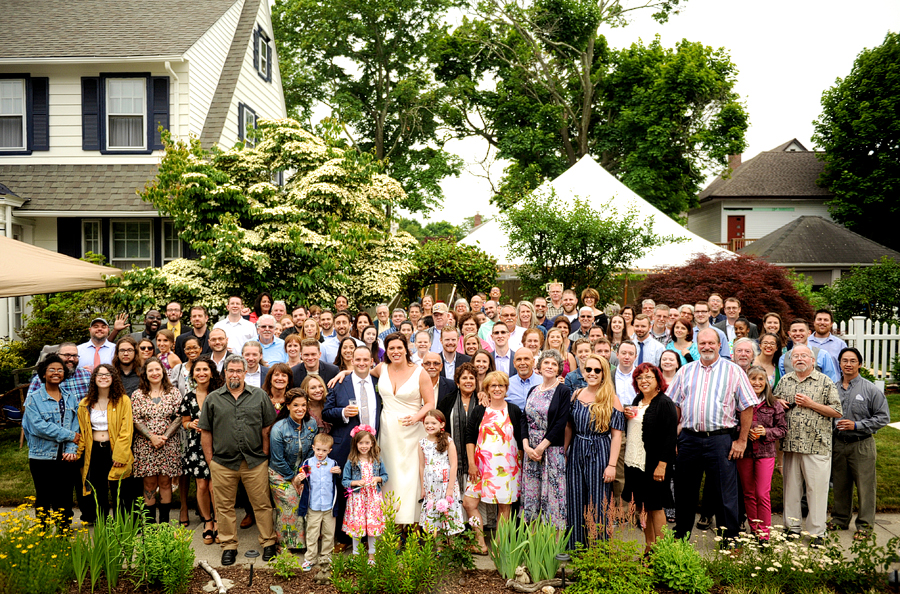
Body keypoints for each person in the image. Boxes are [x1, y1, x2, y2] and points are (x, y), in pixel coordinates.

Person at [668, 328, 758, 541]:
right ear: (697, 346)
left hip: (721, 440)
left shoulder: (733, 371)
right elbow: (675, 406)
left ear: (719, 345)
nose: (706, 347)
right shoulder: (685, 371)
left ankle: (730, 539)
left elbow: (747, 407)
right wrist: (674, 438)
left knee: (725, 494)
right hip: (689, 439)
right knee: (685, 492)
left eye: (711, 343)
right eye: (702, 343)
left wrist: (742, 440)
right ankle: (680, 537)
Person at [200, 354, 278, 565]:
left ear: (245, 373)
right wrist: (210, 461)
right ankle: (229, 545)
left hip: (254, 461)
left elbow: (267, 427)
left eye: (238, 370)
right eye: (230, 370)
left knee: (262, 503)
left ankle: (268, 542)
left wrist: (264, 454)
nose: (234, 374)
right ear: (224, 373)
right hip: (223, 462)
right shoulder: (213, 398)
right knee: (224, 507)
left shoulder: (259, 396)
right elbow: (205, 432)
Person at [775, 345, 842, 544]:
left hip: (817, 445)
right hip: (790, 445)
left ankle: (817, 533)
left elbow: (837, 412)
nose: (799, 359)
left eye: (804, 355)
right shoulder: (786, 380)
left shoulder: (825, 381)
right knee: (791, 490)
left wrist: (811, 404)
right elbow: (774, 403)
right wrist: (778, 401)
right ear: (791, 361)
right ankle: (792, 528)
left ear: (813, 360)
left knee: (817, 491)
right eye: (795, 356)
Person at [829, 347, 890, 540]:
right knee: (840, 484)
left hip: (861, 444)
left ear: (860, 364)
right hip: (838, 443)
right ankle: (839, 519)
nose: (848, 364)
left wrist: (857, 425)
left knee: (865, 486)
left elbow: (883, 417)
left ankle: (864, 525)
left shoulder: (870, 389)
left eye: (852, 360)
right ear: (839, 363)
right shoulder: (832, 388)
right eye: (844, 360)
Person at [462, 371, 524, 555]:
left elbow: (520, 440)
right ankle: (480, 543)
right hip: (480, 468)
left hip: (507, 468)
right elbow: (469, 437)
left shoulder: (513, 410)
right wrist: (472, 464)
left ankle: (499, 546)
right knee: (469, 503)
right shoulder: (480, 410)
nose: (497, 389)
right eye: (493, 386)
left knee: (504, 507)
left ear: (506, 388)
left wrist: (519, 468)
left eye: (501, 386)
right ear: (487, 389)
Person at [566, 355, 624, 546]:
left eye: (597, 370)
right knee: (575, 498)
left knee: (599, 501)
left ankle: (599, 549)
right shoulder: (576, 394)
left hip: (600, 450)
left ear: (604, 373)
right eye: (588, 369)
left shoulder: (612, 399)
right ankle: (576, 547)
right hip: (576, 449)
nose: (592, 373)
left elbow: (616, 435)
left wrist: (612, 465)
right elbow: (569, 427)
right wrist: (565, 453)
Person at [622, 363, 678, 553]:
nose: (643, 381)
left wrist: (662, 465)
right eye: (639, 378)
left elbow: (670, 438)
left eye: (648, 377)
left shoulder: (665, 403)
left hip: (654, 464)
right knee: (643, 507)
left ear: (658, 380)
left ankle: (662, 552)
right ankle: (649, 548)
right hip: (634, 462)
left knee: (656, 506)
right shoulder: (637, 400)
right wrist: (624, 414)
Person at [23, 354, 81, 524]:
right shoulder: (33, 399)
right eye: (52, 370)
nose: (56, 373)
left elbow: (76, 425)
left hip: (65, 456)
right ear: (43, 374)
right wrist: (70, 436)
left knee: (64, 497)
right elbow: (38, 427)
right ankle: (44, 535)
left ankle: (63, 533)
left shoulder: (71, 397)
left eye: (60, 370)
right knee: (43, 496)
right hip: (41, 456)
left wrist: (71, 449)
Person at [76, 364, 133, 521]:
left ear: (113, 378)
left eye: (108, 374)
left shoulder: (123, 401)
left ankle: (120, 526)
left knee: (118, 491)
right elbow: (82, 431)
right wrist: (78, 454)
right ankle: (103, 526)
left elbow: (126, 430)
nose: (103, 377)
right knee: (98, 491)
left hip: (114, 450)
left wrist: (120, 455)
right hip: (94, 452)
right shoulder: (85, 404)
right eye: (99, 375)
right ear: (94, 379)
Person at [735, 366, 787, 541]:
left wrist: (766, 432)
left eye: (760, 379)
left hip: (766, 453)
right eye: (753, 379)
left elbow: (782, 430)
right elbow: (730, 424)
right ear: (746, 381)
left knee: (762, 493)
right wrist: (743, 430)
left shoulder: (774, 404)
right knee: (748, 492)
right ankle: (754, 528)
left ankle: (764, 534)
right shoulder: (739, 403)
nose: (757, 383)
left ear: (766, 383)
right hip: (745, 453)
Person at [520, 350, 571, 529]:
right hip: (531, 452)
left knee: (552, 499)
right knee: (532, 499)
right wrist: (526, 446)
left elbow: (560, 423)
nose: (550, 366)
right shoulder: (533, 390)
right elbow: (524, 419)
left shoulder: (563, 391)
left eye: (554, 364)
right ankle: (534, 546)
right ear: (539, 367)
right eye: (546, 363)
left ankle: (552, 550)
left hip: (550, 451)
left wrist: (541, 448)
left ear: (558, 369)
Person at [131, 357, 183, 524]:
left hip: (169, 444)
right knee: (150, 483)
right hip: (145, 445)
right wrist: (151, 437)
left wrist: (164, 437)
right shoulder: (138, 395)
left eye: (157, 369)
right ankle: (151, 525)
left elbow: (179, 417)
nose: (154, 373)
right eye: (150, 370)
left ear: (163, 371)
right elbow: (135, 419)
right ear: (145, 374)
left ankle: (165, 523)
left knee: (165, 482)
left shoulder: (173, 392)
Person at [269, 388, 318, 551]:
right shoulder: (279, 428)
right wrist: (293, 478)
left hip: (303, 472)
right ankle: (285, 543)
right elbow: (277, 460)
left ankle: (307, 542)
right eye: (296, 405)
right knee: (292, 499)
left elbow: (312, 454)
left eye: (303, 405)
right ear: (288, 406)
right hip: (280, 473)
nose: (300, 409)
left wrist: (303, 476)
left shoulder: (311, 425)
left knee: (309, 497)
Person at [180, 356, 222, 544]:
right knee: (202, 486)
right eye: (198, 370)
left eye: (205, 369)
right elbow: (184, 421)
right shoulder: (188, 397)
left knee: (215, 487)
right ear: (193, 374)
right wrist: (191, 425)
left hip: (218, 445)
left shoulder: (221, 394)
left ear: (211, 372)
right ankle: (208, 522)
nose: (202, 373)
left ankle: (220, 522)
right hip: (196, 446)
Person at [342, 425, 388, 562]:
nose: (364, 446)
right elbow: (344, 481)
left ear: (372, 443)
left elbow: (385, 476)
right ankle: (356, 553)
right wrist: (355, 483)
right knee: (358, 526)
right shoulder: (351, 461)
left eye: (367, 443)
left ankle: (372, 555)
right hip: (358, 499)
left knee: (372, 526)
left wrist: (378, 479)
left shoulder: (377, 460)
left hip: (373, 498)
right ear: (355, 444)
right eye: (361, 443)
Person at [419, 409, 465, 535]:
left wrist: (450, 488)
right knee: (435, 519)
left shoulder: (448, 442)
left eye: (433, 423)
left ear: (442, 424)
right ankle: (439, 550)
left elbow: (454, 464)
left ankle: (451, 548)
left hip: (446, 485)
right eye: (427, 423)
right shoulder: (422, 443)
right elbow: (422, 466)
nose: (429, 426)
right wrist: (423, 487)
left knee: (448, 516)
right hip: (431, 487)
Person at [299, 433, 341, 571]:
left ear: (329, 450)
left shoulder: (333, 464)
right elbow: (302, 478)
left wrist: (338, 472)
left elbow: (338, 482)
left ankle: (326, 556)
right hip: (314, 505)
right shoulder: (308, 464)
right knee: (312, 532)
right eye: (318, 449)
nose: (320, 453)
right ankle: (310, 558)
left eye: (324, 450)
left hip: (329, 505)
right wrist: (300, 477)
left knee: (329, 532)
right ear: (313, 448)